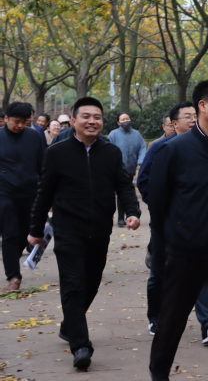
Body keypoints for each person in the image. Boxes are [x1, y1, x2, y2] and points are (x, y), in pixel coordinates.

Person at [28, 97, 141, 369]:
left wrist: (132, 211)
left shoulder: (110, 152)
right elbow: (44, 193)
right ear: (74, 120)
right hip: (68, 230)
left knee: (91, 282)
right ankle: (80, 346)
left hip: (100, 230)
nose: (92, 121)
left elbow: (124, 185)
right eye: (86, 116)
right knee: (73, 284)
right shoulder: (58, 152)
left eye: (97, 117)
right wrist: (35, 230)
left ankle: (70, 324)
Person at [148, 79, 208, 381]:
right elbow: (157, 202)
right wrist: (171, 239)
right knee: (172, 320)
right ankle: (159, 372)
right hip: (184, 252)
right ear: (202, 105)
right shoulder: (173, 150)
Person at [137, 102, 208, 345]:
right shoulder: (161, 147)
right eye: (187, 116)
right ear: (173, 123)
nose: (192, 120)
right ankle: (156, 316)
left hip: (198, 223)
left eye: (195, 116)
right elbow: (144, 181)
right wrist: (161, 209)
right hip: (165, 222)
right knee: (160, 271)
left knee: (200, 271)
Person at [0, 102, 44, 290]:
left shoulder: (34, 136)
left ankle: (11, 258)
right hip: (4, 192)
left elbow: (43, 165)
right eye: (16, 121)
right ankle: (14, 277)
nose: (19, 125)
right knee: (10, 232)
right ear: (6, 118)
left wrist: (47, 192)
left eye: (24, 122)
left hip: (30, 192)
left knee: (27, 233)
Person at [108, 113, 146, 226]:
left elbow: (142, 147)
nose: (125, 121)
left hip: (130, 169)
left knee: (128, 192)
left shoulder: (137, 134)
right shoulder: (113, 134)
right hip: (117, 169)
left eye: (127, 118)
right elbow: (108, 149)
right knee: (120, 192)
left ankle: (131, 214)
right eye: (123, 119)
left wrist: (140, 161)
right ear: (118, 122)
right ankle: (120, 217)